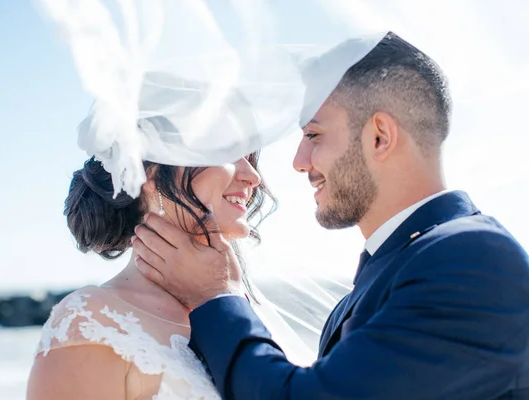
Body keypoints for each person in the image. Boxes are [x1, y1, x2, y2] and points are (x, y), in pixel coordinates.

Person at [132, 32, 529, 399]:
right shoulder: (389, 272)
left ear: (380, 136)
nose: (298, 163)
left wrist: (214, 295)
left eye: (314, 136)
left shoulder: (471, 259)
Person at [26, 142, 278, 399]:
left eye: (249, 158)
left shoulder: (242, 313)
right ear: (152, 172)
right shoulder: (93, 321)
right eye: (228, 152)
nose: (253, 176)